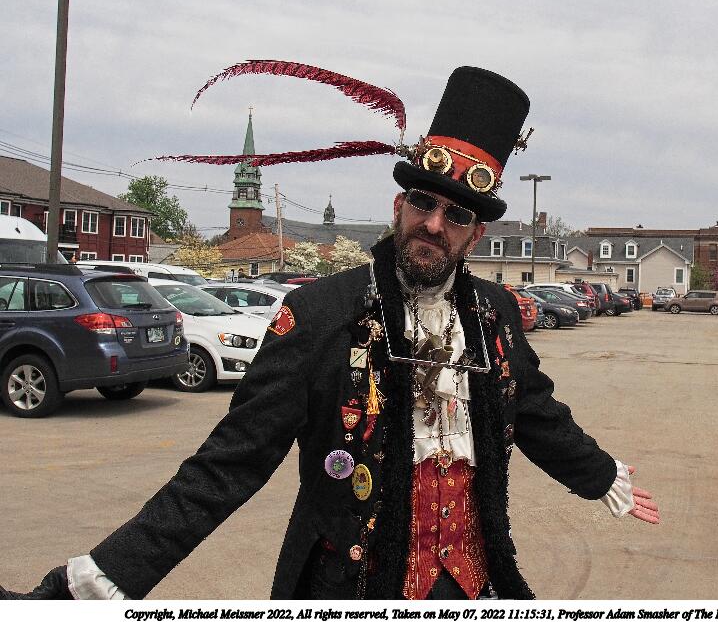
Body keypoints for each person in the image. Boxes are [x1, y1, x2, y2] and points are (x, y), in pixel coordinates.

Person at [1, 66, 658, 601]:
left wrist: (600, 473)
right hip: (350, 585)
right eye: (423, 203)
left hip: (472, 584)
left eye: (456, 214)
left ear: (475, 234)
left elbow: (534, 410)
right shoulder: (320, 314)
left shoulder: (494, 315)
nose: (435, 224)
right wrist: (106, 577)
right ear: (399, 205)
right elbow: (231, 462)